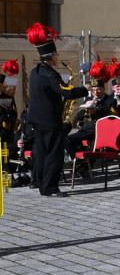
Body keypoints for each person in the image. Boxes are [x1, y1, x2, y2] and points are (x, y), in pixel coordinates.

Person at [25, 23, 87, 197]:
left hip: (36, 120)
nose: (58, 57)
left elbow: (48, 90)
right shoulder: (51, 74)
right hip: (50, 121)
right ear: (51, 57)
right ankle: (50, 188)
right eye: (57, 54)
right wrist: (85, 89)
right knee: (54, 154)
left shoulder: (34, 72)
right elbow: (67, 93)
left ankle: (39, 183)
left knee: (42, 152)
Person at [64, 61, 118, 173]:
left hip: (101, 129)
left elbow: (112, 116)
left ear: (103, 89)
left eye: (98, 89)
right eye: (93, 90)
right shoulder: (88, 100)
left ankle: (85, 168)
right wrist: (82, 114)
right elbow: (79, 114)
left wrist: (96, 111)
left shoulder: (110, 100)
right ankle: (78, 161)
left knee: (95, 146)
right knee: (67, 140)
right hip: (87, 128)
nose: (96, 92)